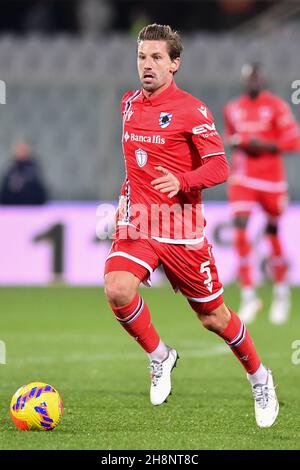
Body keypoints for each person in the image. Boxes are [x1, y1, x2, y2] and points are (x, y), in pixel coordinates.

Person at [104, 25, 279, 428]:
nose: (147, 65)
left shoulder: (192, 109)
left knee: (213, 317)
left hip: (181, 228)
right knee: (117, 288)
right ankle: (160, 356)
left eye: (157, 58)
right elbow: (135, 163)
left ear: (175, 63)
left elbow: (220, 166)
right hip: (140, 223)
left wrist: (182, 181)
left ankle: (260, 377)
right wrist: (124, 199)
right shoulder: (128, 104)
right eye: (142, 57)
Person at [224, 63, 300, 325]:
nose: (253, 82)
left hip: (271, 182)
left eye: (257, 78)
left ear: (263, 79)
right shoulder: (233, 108)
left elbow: (294, 141)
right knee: (241, 229)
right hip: (243, 179)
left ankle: (281, 293)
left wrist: (263, 145)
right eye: (249, 79)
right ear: (245, 82)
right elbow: (231, 138)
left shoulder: (277, 106)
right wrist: (240, 143)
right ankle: (248, 295)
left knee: (272, 235)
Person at [0, 140, 48, 205]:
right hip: (13, 208)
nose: (21, 153)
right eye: (19, 150)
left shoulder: (34, 169)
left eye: (23, 150)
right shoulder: (11, 169)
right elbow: (4, 191)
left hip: (31, 208)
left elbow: (40, 191)